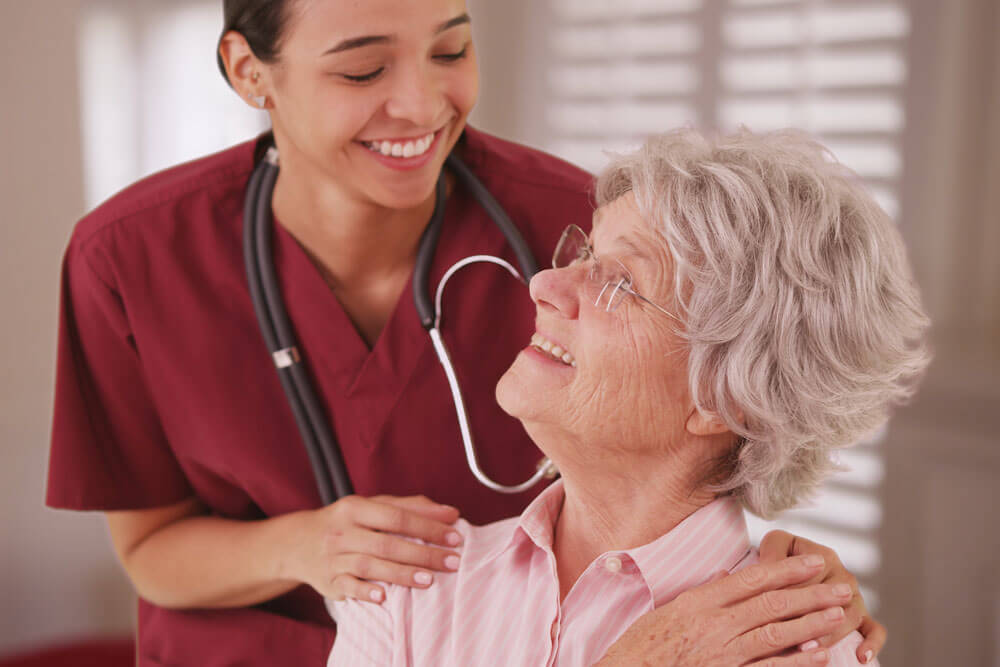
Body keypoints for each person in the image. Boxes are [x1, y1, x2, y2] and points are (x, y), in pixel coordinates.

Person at [45, 1, 883, 664]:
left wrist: (779, 581)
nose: (420, 101)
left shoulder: (566, 222)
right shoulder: (130, 257)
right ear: (249, 71)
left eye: (451, 50)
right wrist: (307, 543)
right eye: (363, 67)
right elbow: (149, 547)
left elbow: (723, 392)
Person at [327, 128, 930, 666]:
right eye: (587, 252)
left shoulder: (800, 654)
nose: (544, 284)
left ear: (722, 397)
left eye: (620, 283)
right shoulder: (407, 587)